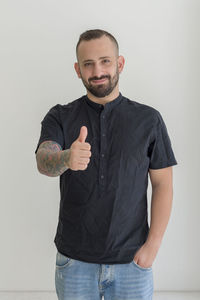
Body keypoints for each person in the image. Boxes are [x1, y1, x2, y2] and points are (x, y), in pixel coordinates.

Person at [35, 29, 178, 300]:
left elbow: (163, 185)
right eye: (88, 64)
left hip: (132, 263)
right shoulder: (60, 116)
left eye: (105, 61)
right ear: (78, 70)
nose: (97, 70)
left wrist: (152, 247)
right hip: (74, 263)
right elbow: (44, 161)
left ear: (120, 63)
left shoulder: (148, 120)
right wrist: (66, 157)